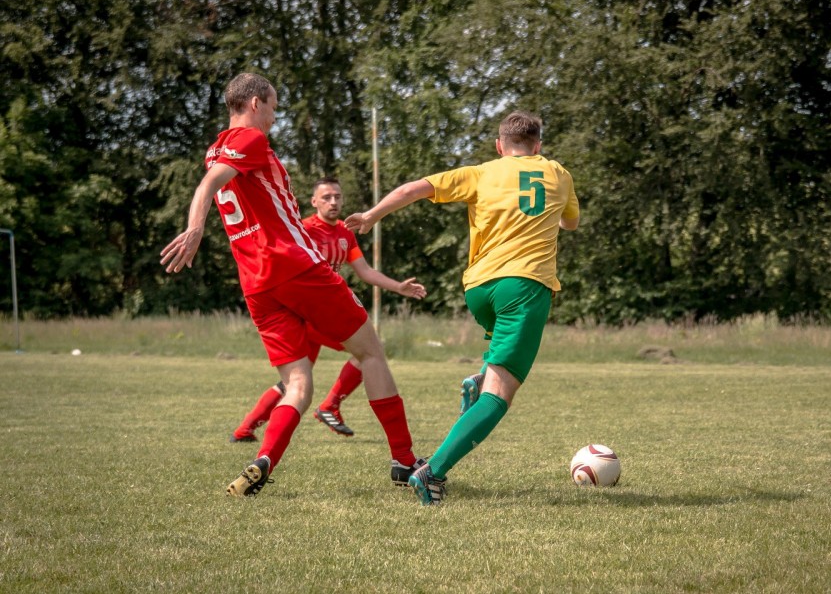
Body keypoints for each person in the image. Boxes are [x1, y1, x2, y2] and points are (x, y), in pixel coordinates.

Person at [160, 73, 423, 497]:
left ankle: (264, 460)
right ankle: (405, 461)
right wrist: (195, 228)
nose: (274, 117)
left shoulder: (215, 148)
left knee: (299, 384)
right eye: (273, 107)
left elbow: (217, 181)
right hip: (294, 265)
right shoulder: (250, 139)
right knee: (370, 352)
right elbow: (209, 185)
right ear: (255, 103)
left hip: (256, 283)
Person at [345, 110, 580, 505]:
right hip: (524, 287)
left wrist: (371, 216)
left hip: (479, 289)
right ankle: (432, 473)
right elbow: (570, 224)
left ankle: (481, 377)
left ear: (500, 146)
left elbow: (414, 189)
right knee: (500, 394)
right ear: (538, 146)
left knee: (496, 363)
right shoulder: (559, 174)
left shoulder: (482, 173)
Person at [229, 176, 426, 442]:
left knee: (295, 381)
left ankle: (245, 429)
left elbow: (364, 271)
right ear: (314, 202)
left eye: (337, 197)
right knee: (366, 353)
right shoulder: (302, 229)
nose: (333, 202)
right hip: (306, 312)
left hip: (321, 312)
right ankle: (330, 405)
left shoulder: (346, 233)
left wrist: (398, 287)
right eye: (326, 197)